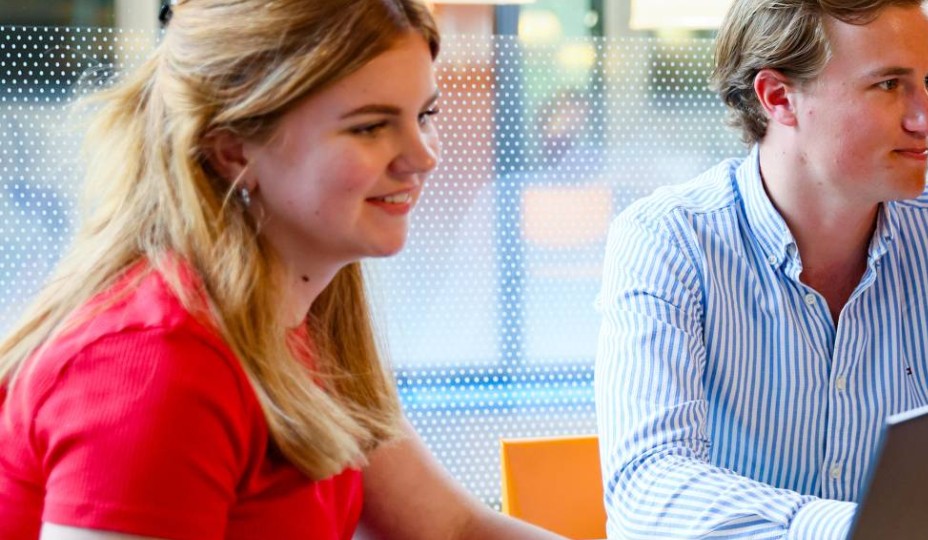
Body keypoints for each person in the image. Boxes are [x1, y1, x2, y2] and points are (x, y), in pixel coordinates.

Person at [0, 1, 562, 539]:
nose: (423, 155)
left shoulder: (303, 316)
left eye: (424, 115)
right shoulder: (155, 365)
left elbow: (450, 529)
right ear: (234, 152)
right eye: (370, 127)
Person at [592, 0, 928, 537]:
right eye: (890, 85)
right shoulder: (668, 239)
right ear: (780, 98)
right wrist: (874, 528)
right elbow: (648, 489)